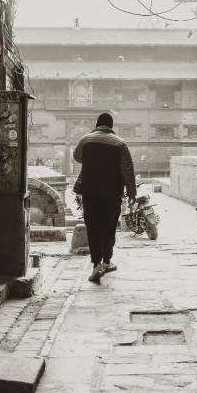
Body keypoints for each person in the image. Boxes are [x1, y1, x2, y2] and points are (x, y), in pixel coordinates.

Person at [73, 113, 136, 283]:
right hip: (112, 193)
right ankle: (107, 262)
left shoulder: (86, 139)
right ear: (111, 126)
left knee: (92, 227)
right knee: (108, 228)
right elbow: (127, 170)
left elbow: (77, 157)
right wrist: (132, 194)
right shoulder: (120, 143)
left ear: (97, 124)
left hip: (89, 191)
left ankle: (95, 265)